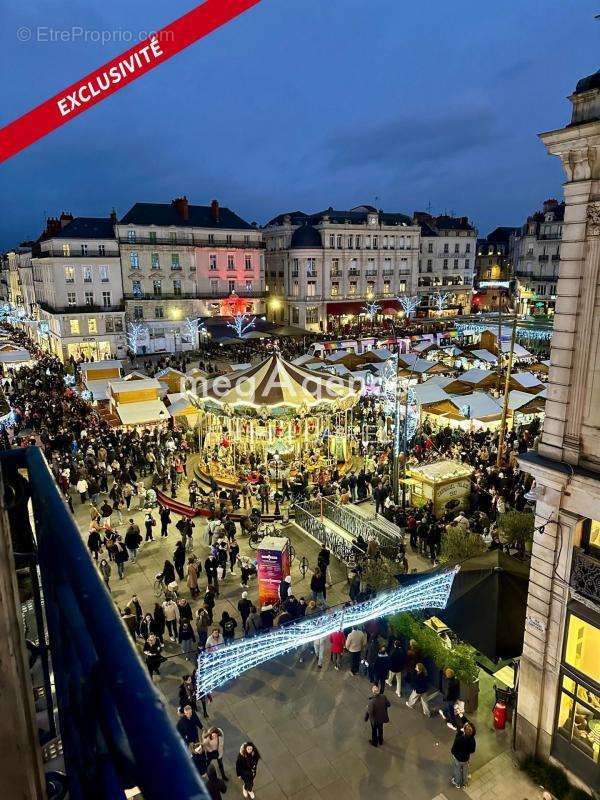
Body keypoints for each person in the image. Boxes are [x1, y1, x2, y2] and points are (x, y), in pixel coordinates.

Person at [451, 722, 476, 788]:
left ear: (464, 730)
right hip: (466, 758)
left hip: (458, 758)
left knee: (457, 770)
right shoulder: (472, 740)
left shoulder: (459, 738)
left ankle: (457, 783)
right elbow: (472, 750)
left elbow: (453, 748)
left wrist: (453, 753)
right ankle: (465, 783)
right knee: (465, 771)